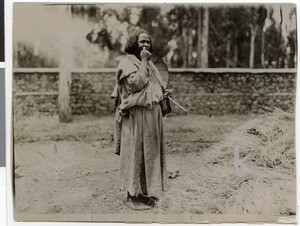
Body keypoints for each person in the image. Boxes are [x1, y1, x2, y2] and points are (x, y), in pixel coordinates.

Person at [111, 29, 166, 210]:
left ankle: (145, 192)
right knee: (136, 153)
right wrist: (143, 60)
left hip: (152, 116)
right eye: (142, 42)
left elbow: (154, 85)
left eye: (148, 42)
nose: (145, 45)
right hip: (137, 116)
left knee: (150, 154)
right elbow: (136, 84)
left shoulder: (149, 64)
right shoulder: (127, 62)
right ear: (134, 43)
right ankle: (132, 193)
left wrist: (160, 93)